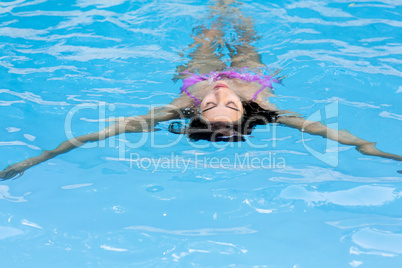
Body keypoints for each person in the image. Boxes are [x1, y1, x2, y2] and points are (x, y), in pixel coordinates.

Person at [1, 0, 401, 180]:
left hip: (195, 73)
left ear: (196, 111)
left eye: (213, 104)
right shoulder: (266, 108)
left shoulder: (178, 108)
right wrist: (374, 151)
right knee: (246, 40)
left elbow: (92, 135)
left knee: (206, 42)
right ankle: (232, 8)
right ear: (246, 112)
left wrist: (33, 161)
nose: (222, 91)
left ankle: (214, 13)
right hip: (254, 73)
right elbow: (335, 135)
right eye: (228, 103)